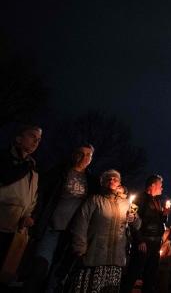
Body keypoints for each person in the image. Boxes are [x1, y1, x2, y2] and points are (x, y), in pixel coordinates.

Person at [25, 143, 98, 293]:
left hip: (72, 233)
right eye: (81, 153)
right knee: (40, 266)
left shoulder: (91, 182)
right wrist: (34, 215)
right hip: (51, 228)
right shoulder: (60, 172)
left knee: (58, 272)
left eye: (88, 155)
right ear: (74, 154)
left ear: (91, 159)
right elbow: (41, 195)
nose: (84, 158)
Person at [67, 169, 139, 293]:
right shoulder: (94, 200)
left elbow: (137, 225)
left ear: (119, 183)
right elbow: (81, 223)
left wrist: (134, 219)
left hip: (116, 259)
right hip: (94, 256)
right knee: (89, 288)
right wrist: (79, 247)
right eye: (108, 178)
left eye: (115, 179)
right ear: (103, 183)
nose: (112, 180)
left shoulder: (126, 203)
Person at [0, 124, 42, 269]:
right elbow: (6, 177)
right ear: (19, 138)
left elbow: (33, 196)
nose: (36, 142)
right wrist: (26, 165)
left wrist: (30, 215)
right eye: (32, 136)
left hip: (17, 226)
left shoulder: (33, 167)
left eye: (39, 139)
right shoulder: (4, 157)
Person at [121, 174, 171, 293]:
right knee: (133, 273)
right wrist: (139, 240)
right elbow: (131, 221)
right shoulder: (139, 199)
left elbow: (159, 221)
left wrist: (165, 214)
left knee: (150, 276)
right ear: (152, 185)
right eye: (160, 185)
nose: (162, 187)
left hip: (155, 244)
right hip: (143, 243)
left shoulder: (158, 201)